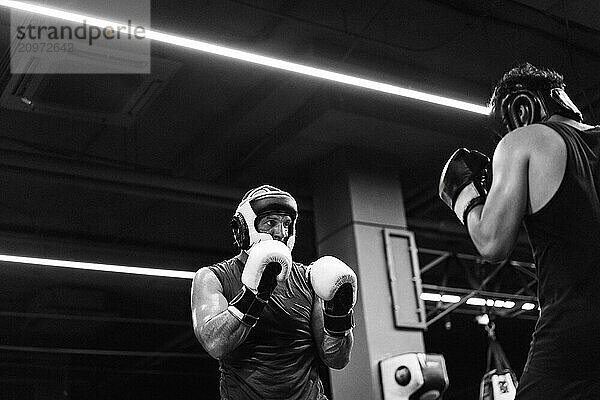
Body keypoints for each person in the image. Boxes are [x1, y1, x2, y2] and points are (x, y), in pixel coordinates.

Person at [439, 62, 600, 399]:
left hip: (575, 329)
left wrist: (463, 195)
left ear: (521, 108)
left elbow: (492, 242)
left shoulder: (525, 140)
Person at [191, 185, 356, 400]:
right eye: (271, 223)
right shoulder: (213, 277)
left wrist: (339, 316)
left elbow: (337, 360)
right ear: (244, 228)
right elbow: (215, 345)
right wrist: (254, 294)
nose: (281, 233)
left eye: (287, 224)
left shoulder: (309, 278)